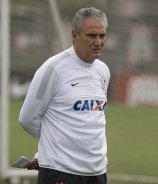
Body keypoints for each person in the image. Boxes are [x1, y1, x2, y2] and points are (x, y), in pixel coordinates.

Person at [19, 7, 110, 184]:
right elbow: (27, 118)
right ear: (74, 35)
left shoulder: (103, 70)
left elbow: (91, 118)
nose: (98, 42)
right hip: (60, 172)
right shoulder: (52, 70)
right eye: (92, 36)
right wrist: (52, 146)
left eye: (102, 35)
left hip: (98, 172)